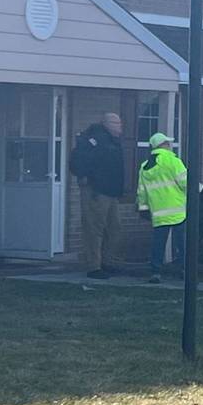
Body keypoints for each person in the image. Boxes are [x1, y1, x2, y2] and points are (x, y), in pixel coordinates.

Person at [70, 112, 124, 280]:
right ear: (107, 123)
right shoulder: (95, 140)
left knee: (114, 229)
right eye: (117, 123)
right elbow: (79, 162)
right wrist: (88, 179)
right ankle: (94, 266)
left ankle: (108, 262)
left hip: (111, 192)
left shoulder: (113, 142)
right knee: (94, 229)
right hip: (96, 192)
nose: (120, 127)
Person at [136, 133, 188, 284]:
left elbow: (142, 190)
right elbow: (186, 182)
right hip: (178, 210)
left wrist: (143, 208)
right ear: (164, 145)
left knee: (158, 243)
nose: (170, 145)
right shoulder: (172, 161)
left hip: (159, 212)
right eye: (167, 143)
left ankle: (156, 272)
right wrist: (200, 191)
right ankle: (185, 270)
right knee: (182, 243)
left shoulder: (145, 166)